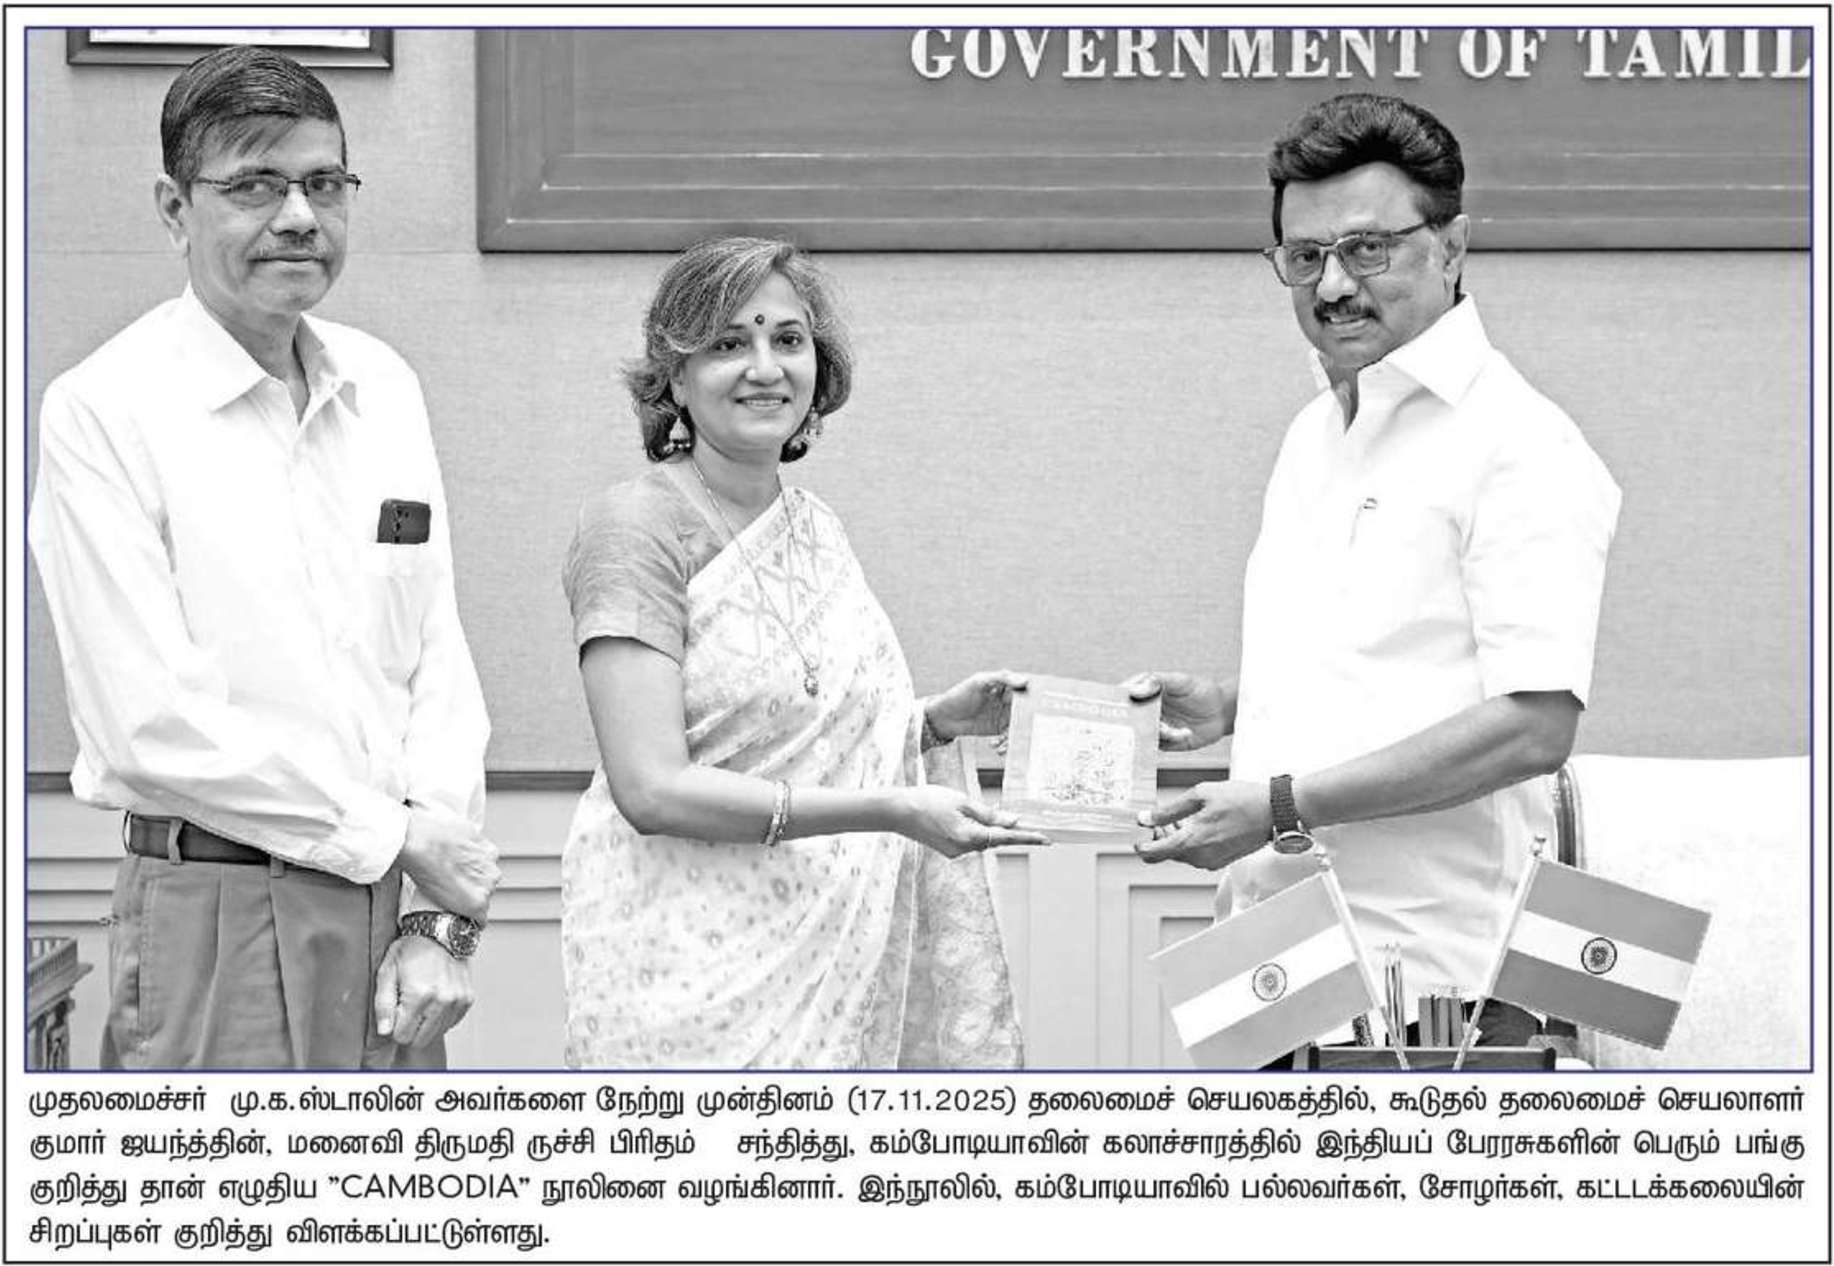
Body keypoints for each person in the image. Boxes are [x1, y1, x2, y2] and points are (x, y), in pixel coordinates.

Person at [28, 47, 499, 1069]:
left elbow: (435, 666)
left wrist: (436, 920)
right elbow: (146, 723)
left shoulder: (385, 385)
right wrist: (395, 838)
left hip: (394, 921)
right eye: (255, 185)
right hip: (213, 907)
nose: (298, 216)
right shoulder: (103, 410)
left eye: (324, 184)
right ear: (174, 207)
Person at [1130, 93, 1621, 1054]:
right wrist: (1231, 703)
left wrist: (1278, 807)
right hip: (1273, 952)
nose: (1332, 285)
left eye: (1367, 250)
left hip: (1434, 985)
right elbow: (1391, 658)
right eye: (1304, 256)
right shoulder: (1315, 432)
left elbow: (1534, 724)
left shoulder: (1521, 443)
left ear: (1453, 245)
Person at [561, 236, 1043, 1068]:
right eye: (727, 343)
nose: (765, 367)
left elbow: (814, 726)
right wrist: (890, 810)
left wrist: (932, 723)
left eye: (788, 339)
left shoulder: (816, 530)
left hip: (833, 963)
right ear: (674, 377)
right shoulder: (633, 529)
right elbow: (651, 789)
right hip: (682, 978)